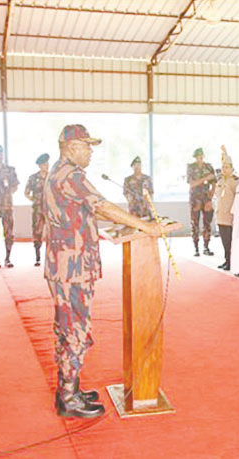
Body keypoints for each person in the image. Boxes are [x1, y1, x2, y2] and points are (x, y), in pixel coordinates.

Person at [44, 124, 162, 419]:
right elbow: (102, 206)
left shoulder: (59, 173)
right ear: (70, 147)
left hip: (66, 265)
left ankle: (69, 389)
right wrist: (145, 226)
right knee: (75, 330)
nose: (91, 151)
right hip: (72, 268)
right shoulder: (71, 175)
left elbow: (89, 210)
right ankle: (68, 398)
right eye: (87, 145)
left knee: (68, 327)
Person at [186, 148, 216, 257]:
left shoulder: (208, 166)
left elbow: (214, 182)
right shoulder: (191, 167)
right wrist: (205, 179)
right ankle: (196, 248)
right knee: (195, 224)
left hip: (206, 199)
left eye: (201, 156)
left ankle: (206, 247)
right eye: (198, 157)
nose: (200, 158)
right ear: (195, 157)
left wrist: (211, 194)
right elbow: (191, 184)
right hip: (195, 199)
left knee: (207, 224)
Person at [24, 153, 50, 267]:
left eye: (47, 163)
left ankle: (50, 257)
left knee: (52, 233)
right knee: (37, 232)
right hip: (38, 209)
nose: (47, 165)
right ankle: (38, 257)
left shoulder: (52, 177)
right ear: (40, 166)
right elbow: (26, 192)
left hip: (50, 210)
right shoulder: (33, 178)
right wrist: (34, 200)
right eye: (44, 164)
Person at [215, 151, 238, 271]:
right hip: (220, 215)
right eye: (223, 167)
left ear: (232, 169)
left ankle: (231, 261)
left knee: (230, 241)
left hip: (230, 215)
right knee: (224, 240)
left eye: (227, 167)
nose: (225, 169)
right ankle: (226, 260)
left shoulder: (235, 182)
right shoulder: (220, 181)